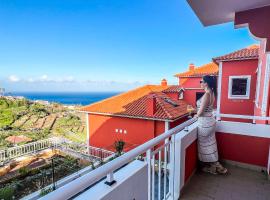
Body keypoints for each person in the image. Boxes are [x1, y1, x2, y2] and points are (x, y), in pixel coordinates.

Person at [194, 75, 227, 175]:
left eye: (201, 81)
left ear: (206, 83)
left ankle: (215, 166)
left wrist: (195, 114)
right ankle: (215, 166)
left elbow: (200, 112)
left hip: (204, 123)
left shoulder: (207, 95)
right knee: (211, 144)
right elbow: (207, 109)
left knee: (205, 146)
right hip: (210, 121)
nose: (200, 83)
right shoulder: (212, 93)